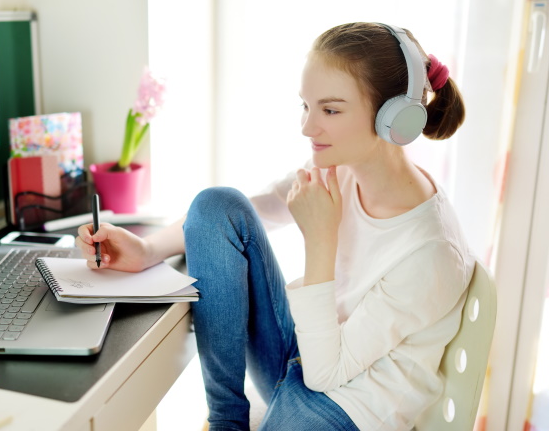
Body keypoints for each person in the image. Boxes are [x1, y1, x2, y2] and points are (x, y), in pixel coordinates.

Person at [77, 22, 472, 431]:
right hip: (302, 355)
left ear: (395, 119)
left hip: (350, 408)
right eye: (306, 105)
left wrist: (321, 239)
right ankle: (227, 421)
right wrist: (147, 250)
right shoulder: (340, 167)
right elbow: (250, 211)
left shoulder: (433, 253)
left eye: (330, 110)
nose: (307, 127)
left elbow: (326, 375)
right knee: (217, 204)